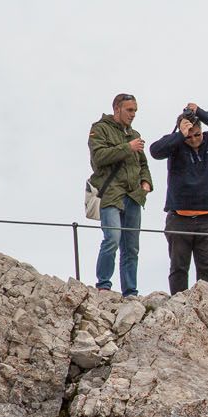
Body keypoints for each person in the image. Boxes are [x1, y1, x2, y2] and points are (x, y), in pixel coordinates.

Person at [149, 103, 208, 294]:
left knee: (207, 270)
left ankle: (205, 308)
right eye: (190, 135)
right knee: (178, 268)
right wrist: (180, 135)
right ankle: (178, 306)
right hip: (179, 218)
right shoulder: (175, 144)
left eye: (198, 134)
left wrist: (200, 112)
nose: (194, 139)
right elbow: (155, 151)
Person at [88, 93, 153, 297]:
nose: (133, 114)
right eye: (129, 110)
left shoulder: (134, 133)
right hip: (111, 194)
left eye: (135, 110)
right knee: (112, 239)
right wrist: (128, 147)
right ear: (117, 108)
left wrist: (146, 183)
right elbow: (98, 158)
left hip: (134, 195)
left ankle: (130, 292)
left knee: (131, 247)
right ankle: (104, 286)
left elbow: (143, 164)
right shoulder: (100, 129)